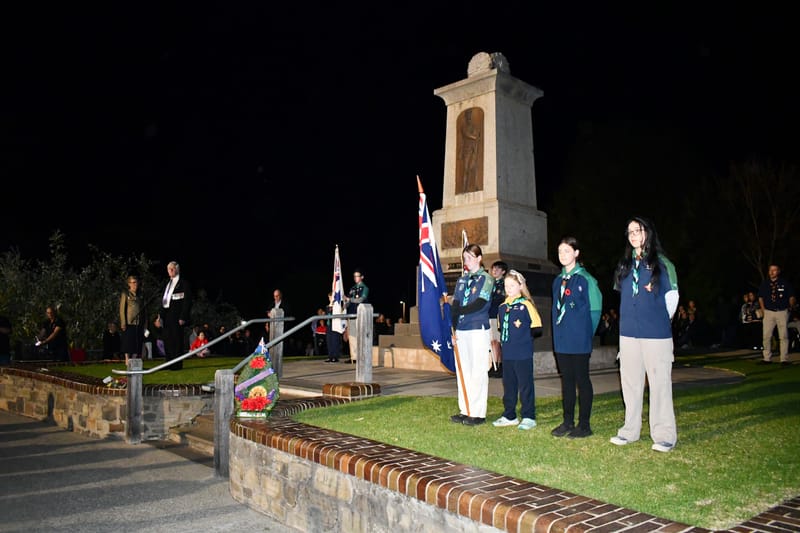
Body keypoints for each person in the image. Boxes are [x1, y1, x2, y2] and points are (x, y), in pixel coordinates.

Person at [610, 216, 680, 453]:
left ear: (648, 233)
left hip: (655, 334)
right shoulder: (625, 264)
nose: (633, 235)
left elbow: (672, 301)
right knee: (630, 384)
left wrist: (656, 320)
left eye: (637, 230)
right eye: (629, 231)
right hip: (629, 334)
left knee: (659, 384)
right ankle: (630, 431)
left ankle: (664, 435)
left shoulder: (663, 264)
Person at [550, 236, 603, 439]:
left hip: (579, 340)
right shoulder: (558, 281)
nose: (563, 255)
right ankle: (567, 422)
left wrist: (586, 335)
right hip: (562, 341)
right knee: (567, 382)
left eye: (567, 251)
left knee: (582, 380)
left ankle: (584, 424)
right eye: (560, 251)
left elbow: (596, 310)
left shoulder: (585, 279)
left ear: (576, 253)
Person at [491, 270, 542, 431]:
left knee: (525, 385)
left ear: (520, 286)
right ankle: (509, 415)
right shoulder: (502, 307)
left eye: (512, 285)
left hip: (523, 353)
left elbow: (537, 328)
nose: (509, 288)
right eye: (506, 285)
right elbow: (501, 329)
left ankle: (528, 416)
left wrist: (524, 340)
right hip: (508, 354)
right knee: (509, 385)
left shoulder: (526, 305)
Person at [449, 244, 494, 426]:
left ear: (479, 258)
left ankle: (478, 413)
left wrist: (459, 310)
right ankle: (465, 409)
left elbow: (481, 303)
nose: (466, 261)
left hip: (477, 328)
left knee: (478, 371)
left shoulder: (487, 279)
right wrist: (452, 327)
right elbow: (455, 304)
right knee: (463, 371)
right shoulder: (462, 280)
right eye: (464, 258)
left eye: (469, 257)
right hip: (461, 330)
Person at [155, 261, 192, 370]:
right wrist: (160, 317)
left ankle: (176, 365)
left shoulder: (184, 283)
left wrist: (183, 317)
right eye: (169, 269)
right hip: (167, 317)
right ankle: (168, 363)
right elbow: (164, 301)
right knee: (167, 340)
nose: (170, 271)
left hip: (177, 317)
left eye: (172, 268)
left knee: (176, 341)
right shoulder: (167, 284)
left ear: (177, 269)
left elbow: (187, 302)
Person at [757, 264, 796, 365]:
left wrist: (790, 307)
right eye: (770, 270)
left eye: (774, 270)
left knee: (783, 336)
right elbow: (760, 297)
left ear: (778, 271)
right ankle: (767, 358)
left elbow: (791, 296)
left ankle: (784, 359)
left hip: (782, 312)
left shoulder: (785, 283)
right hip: (769, 312)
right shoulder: (765, 284)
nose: (772, 272)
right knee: (766, 336)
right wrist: (763, 309)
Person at [119, 275, 147, 364]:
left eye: (136, 282)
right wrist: (123, 322)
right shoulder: (126, 294)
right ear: (129, 284)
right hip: (129, 321)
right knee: (128, 341)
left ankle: (134, 359)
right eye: (133, 282)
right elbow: (122, 309)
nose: (135, 285)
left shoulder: (139, 295)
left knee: (136, 341)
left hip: (138, 322)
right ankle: (127, 358)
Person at [488, 260, 508, 378]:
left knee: (500, 342)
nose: (494, 271)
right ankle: (494, 365)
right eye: (493, 268)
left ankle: (502, 366)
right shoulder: (490, 284)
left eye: (497, 269)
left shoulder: (504, 284)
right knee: (493, 342)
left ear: (503, 271)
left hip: (499, 315)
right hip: (490, 315)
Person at [345, 269, 369, 363]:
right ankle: (354, 357)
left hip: (360, 315)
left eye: (357, 276)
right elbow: (348, 301)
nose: (356, 278)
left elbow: (360, 300)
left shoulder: (365, 288)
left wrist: (349, 299)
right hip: (351, 315)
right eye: (354, 276)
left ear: (362, 277)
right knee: (352, 337)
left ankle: (361, 356)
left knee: (360, 336)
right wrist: (345, 302)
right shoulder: (352, 288)